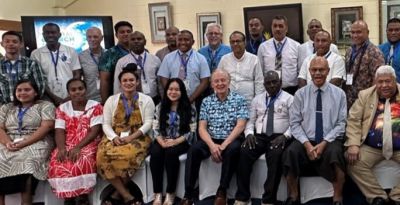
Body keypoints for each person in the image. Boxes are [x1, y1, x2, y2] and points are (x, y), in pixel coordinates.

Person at [283, 57, 347, 205]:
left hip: (329, 139)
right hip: (306, 139)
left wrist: (324, 143)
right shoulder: (300, 94)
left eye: (321, 70)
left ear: (328, 71)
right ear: (309, 71)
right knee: (290, 152)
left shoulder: (339, 94)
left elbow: (341, 124)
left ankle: (337, 196)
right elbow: (295, 123)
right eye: (314, 70)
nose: (317, 73)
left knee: (336, 154)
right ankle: (293, 195)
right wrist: (307, 145)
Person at [180, 69, 248, 205]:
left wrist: (223, 145)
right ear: (211, 84)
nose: (220, 83)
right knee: (193, 150)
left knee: (232, 150)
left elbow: (240, 126)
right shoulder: (206, 101)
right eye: (216, 81)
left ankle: (222, 191)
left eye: (223, 80)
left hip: (232, 139)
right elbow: (202, 128)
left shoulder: (239, 100)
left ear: (229, 82)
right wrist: (212, 145)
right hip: (211, 139)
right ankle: (188, 194)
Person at [96, 68, 155, 205]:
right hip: (115, 136)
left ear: (137, 82)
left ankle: (118, 194)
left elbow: (148, 123)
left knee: (129, 155)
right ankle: (126, 195)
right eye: (125, 80)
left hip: (139, 137)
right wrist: (113, 137)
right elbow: (106, 123)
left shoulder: (146, 100)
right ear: (120, 83)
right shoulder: (112, 100)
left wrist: (131, 138)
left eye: (131, 80)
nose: (128, 83)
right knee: (101, 157)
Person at [234, 71, 293, 205]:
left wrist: (285, 136)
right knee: (244, 150)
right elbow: (250, 121)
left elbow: (295, 123)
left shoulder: (289, 99)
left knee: (276, 155)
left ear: (280, 83)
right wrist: (249, 134)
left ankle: (268, 199)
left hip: (279, 136)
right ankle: (242, 197)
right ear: (264, 85)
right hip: (260, 136)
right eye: (268, 83)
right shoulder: (257, 99)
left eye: (274, 82)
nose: (272, 85)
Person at [346, 65, 400, 205]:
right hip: (372, 147)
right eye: (380, 82)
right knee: (353, 162)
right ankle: (378, 197)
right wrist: (353, 144)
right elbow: (353, 119)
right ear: (375, 82)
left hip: (398, 148)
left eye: (388, 81)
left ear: (395, 80)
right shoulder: (365, 95)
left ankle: (396, 196)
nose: (384, 85)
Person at [47, 79, 103, 204]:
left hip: (88, 141)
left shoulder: (96, 106)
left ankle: (83, 196)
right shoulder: (62, 108)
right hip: (67, 142)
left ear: (86, 90)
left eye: (80, 88)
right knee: (58, 160)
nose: (77, 92)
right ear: (68, 92)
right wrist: (61, 148)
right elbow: (59, 130)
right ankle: (69, 197)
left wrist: (78, 147)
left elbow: (94, 131)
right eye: (73, 90)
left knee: (83, 159)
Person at [0, 79, 55, 205]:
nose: (23, 93)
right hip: (9, 140)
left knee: (28, 160)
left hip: (37, 140)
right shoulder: (7, 107)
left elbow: (46, 127)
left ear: (35, 92)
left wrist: (23, 144)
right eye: (19, 90)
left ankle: (26, 202)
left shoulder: (45, 105)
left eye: (27, 89)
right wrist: (8, 142)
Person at [150, 78, 197, 205]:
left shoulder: (190, 108)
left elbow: (192, 131)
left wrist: (176, 142)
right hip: (162, 139)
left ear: (182, 92)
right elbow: (155, 128)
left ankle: (170, 193)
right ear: (166, 91)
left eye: (177, 89)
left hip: (181, 141)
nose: (173, 92)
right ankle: (158, 193)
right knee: (155, 153)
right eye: (170, 89)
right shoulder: (160, 106)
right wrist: (161, 141)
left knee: (171, 153)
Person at [31, 22, 81, 106]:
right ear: (43, 35)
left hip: (70, 96)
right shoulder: (36, 54)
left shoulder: (71, 51)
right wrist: (54, 97)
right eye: (47, 33)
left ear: (59, 34)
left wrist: (70, 94)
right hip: (47, 97)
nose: (50, 35)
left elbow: (76, 73)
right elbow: (38, 79)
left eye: (53, 32)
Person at [157, 30, 210, 107]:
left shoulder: (201, 58)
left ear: (193, 42)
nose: (182, 42)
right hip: (173, 100)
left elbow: (205, 82)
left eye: (186, 40)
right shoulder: (168, 58)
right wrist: (172, 94)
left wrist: (191, 99)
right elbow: (163, 78)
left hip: (194, 100)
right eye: (180, 40)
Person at [218, 31, 264, 108]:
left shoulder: (254, 59)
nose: (235, 44)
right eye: (232, 42)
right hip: (228, 104)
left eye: (238, 41)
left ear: (244, 42)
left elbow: (259, 82)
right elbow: (218, 79)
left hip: (249, 104)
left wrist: (258, 102)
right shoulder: (224, 59)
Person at [344, 20, 385, 108]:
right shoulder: (349, 50)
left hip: (365, 101)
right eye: (353, 32)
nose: (355, 35)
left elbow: (378, 78)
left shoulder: (374, 52)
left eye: (359, 32)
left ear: (367, 32)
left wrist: (370, 100)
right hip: (349, 98)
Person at [113, 31, 161, 104]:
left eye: (139, 39)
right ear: (129, 42)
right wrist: (117, 102)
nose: (136, 41)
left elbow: (160, 83)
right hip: (130, 100)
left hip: (153, 99)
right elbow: (117, 85)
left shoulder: (155, 60)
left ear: (145, 42)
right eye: (133, 39)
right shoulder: (122, 62)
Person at [0, 31, 46, 104]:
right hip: (4, 107)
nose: (11, 44)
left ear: (21, 44)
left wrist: (30, 104)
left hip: (28, 106)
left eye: (15, 42)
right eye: (7, 41)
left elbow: (40, 86)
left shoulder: (31, 63)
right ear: (2, 44)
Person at [258, 15, 300, 95]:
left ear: (286, 29)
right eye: (275, 26)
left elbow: (299, 70)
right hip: (270, 90)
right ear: (271, 28)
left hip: (291, 90)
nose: (278, 29)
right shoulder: (263, 47)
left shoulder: (296, 46)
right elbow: (260, 72)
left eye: (281, 26)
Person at [99, 21, 133, 104]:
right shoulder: (109, 54)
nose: (126, 34)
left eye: (128, 31)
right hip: (118, 97)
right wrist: (105, 103)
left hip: (139, 96)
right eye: (122, 32)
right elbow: (104, 80)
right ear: (116, 35)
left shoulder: (140, 52)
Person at [79, 27, 104, 102]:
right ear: (86, 38)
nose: (92, 39)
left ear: (101, 38)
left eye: (95, 37)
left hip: (109, 97)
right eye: (89, 37)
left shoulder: (109, 54)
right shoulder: (80, 56)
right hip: (90, 99)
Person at [379, 18, 400, 82]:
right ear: (386, 31)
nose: (393, 33)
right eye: (390, 30)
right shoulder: (378, 49)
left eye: (397, 30)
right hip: (382, 88)